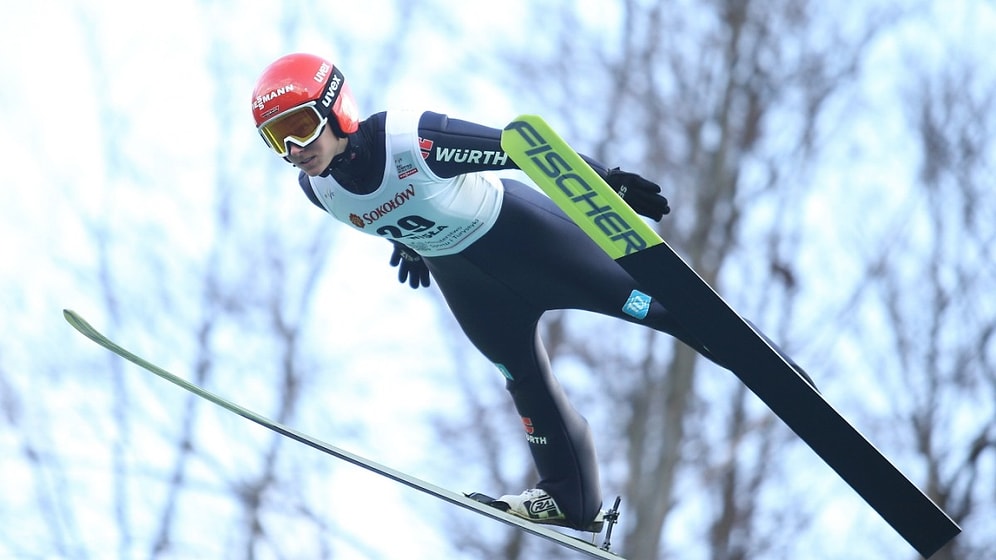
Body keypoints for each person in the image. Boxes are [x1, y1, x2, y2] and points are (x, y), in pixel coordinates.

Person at [251, 53, 812, 533]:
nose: (294, 148)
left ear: (337, 107)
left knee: (662, 310)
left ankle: (776, 372)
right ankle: (570, 497)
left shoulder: (408, 139)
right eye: (277, 138)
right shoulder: (319, 191)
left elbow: (521, 148)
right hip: (469, 284)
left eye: (300, 125)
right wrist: (409, 245)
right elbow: (393, 208)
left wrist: (607, 181)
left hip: (527, 241)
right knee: (521, 377)